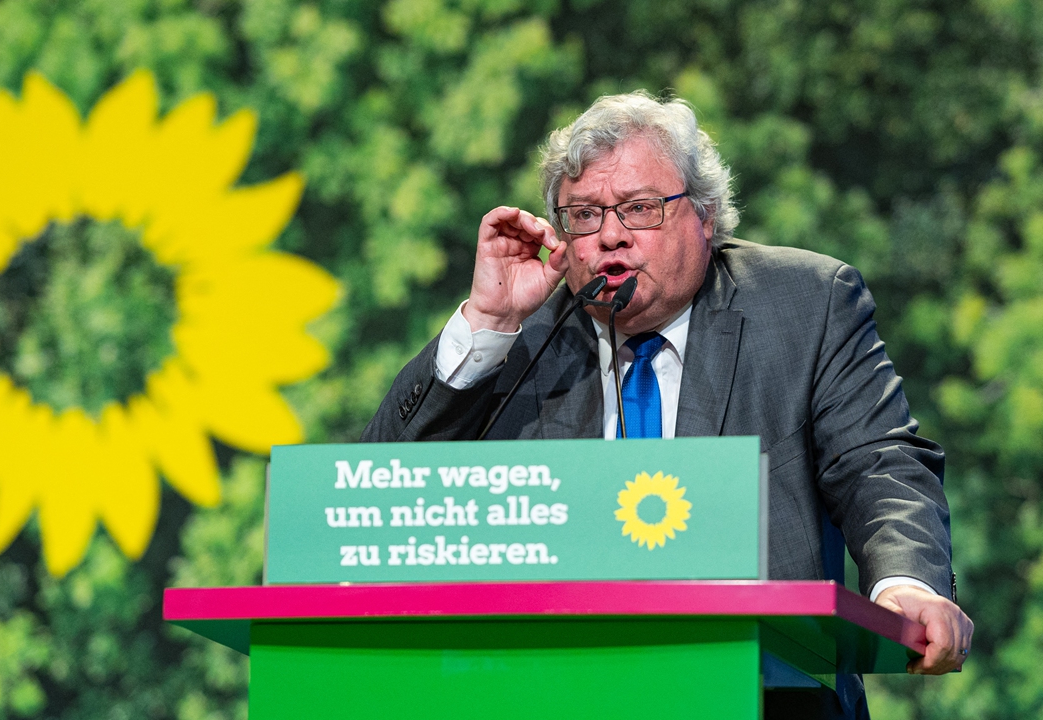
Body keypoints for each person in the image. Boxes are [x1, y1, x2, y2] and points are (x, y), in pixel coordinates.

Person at [362, 90, 973, 719]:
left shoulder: (805, 305)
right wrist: (489, 322)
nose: (610, 237)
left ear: (705, 216)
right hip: (551, 695)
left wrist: (907, 584)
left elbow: (877, 463)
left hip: (765, 697)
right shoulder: (527, 337)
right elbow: (383, 496)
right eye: (583, 215)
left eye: (639, 208)